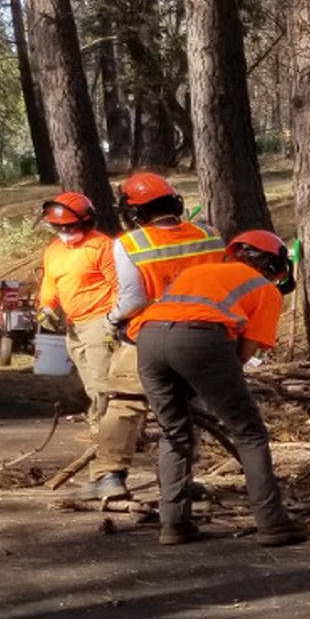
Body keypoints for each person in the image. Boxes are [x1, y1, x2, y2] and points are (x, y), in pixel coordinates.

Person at [130, 230, 305, 547]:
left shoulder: (197, 272)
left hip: (149, 339)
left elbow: (175, 317)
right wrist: (216, 376)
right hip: (200, 338)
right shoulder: (265, 288)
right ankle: (273, 523)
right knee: (248, 432)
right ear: (274, 264)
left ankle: (174, 525)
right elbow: (244, 354)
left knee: (174, 431)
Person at [82, 173, 225, 500]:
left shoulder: (131, 244)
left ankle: (110, 476)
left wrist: (111, 319)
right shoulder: (210, 235)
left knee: (125, 403)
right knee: (185, 408)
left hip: (148, 335)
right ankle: (179, 482)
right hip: (202, 335)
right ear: (176, 202)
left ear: (134, 212)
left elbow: (133, 300)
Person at [35, 192, 120, 425]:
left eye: (70, 226)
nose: (65, 231)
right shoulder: (53, 250)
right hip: (74, 325)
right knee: (89, 378)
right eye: (59, 227)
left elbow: (120, 286)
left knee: (103, 379)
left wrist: (113, 322)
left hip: (100, 321)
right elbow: (51, 283)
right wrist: (46, 307)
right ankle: (101, 422)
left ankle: (109, 427)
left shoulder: (102, 246)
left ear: (86, 221)